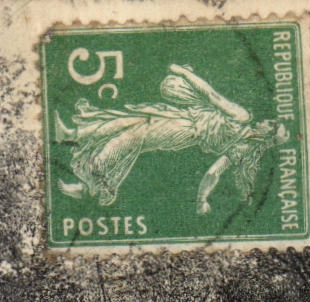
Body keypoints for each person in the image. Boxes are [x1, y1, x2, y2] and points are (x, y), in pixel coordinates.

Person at [54, 64, 289, 214]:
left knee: (134, 135)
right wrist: (202, 200)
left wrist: (185, 73)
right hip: (183, 118)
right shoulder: (241, 148)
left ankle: (88, 186)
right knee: (131, 119)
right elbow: (213, 173)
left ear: (267, 132)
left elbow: (212, 95)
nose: (265, 120)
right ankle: (72, 135)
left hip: (185, 129)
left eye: (270, 123)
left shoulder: (243, 118)